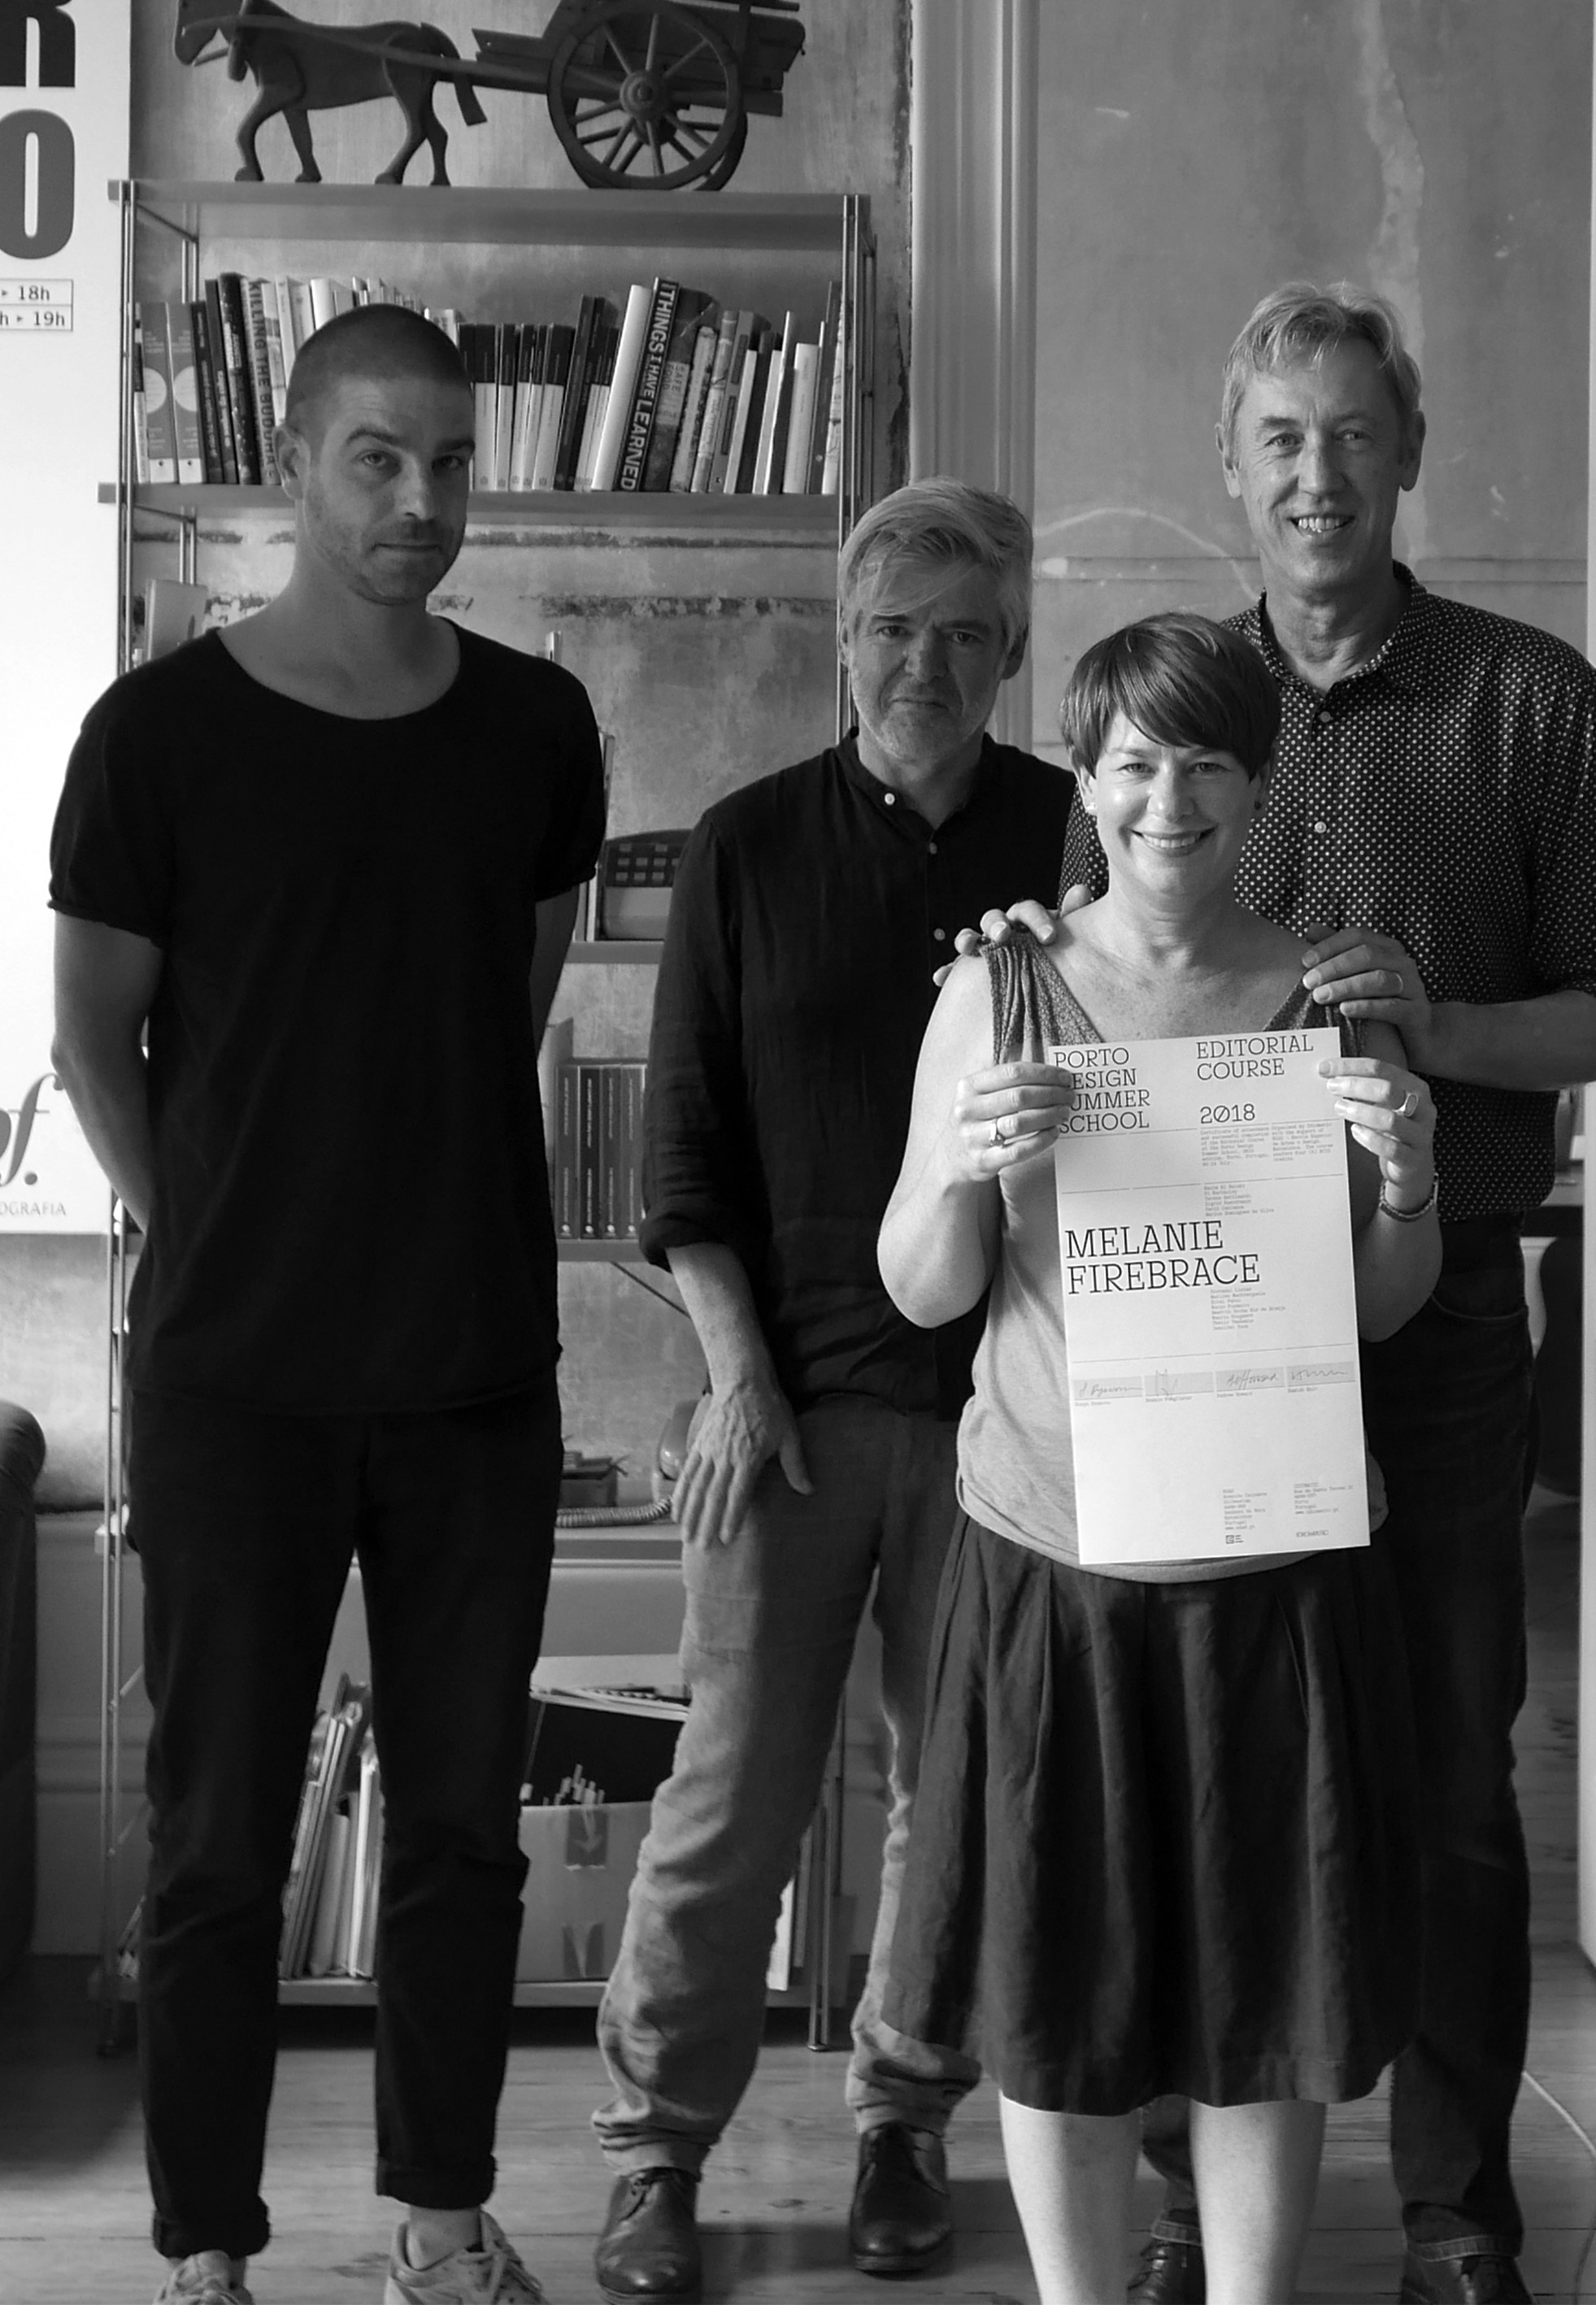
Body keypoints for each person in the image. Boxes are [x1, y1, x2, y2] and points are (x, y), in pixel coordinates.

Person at [980, 283, 1596, 2305]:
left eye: (1353, 432)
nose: (1316, 473)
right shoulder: (1171, 703)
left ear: (1408, 453)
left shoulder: (1528, 699)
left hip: (1428, 1308)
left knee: (1446, 1767)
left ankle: (1454, 2217)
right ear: (1229, 461)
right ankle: (1185, 2212)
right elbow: (1087, 961)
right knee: (1203, 1758)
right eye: (1279, 436)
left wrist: (1430, 1028)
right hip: (1190, 1321)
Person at [49, 305, 605, 2305]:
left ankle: (440, 2224)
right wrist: (222, 1231)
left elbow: (511, 998)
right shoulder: (155, 737)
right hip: (236, 1383)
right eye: (378, 456)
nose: (421, 497)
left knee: (461, 1829)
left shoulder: (537, 728)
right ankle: (206, 2248)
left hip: (472, 1374)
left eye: (451, 458)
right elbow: (94, 1040)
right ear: (295, 462)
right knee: (213, 1838)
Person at [876, 609, 1441, 2305]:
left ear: (1258, 784)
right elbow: (923, 1289)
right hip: (1056, 1565)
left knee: (1267, 1999)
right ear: (1084, 778)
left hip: (1274, 1572)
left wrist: (1410, 1176)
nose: (1168, 800)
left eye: (1206, 763)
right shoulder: (996, 989)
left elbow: (1380, 1307)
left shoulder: (1325, 999)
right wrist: (960, 1165)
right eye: (1133, 763)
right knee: (1052, 1999)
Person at [587, 481, 1073, 2303]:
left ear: (1009, 652)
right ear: (841, 641)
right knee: (730, 1798)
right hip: (783, 1418)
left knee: (955, 1805)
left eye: (963, 634)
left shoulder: (1070, 836)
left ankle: (902, 2120)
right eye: (891, 630)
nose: (923, 665)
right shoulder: (744, 844)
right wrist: (733, 1379)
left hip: (1005, 1415)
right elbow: (681, 1156)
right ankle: (655, 2151)